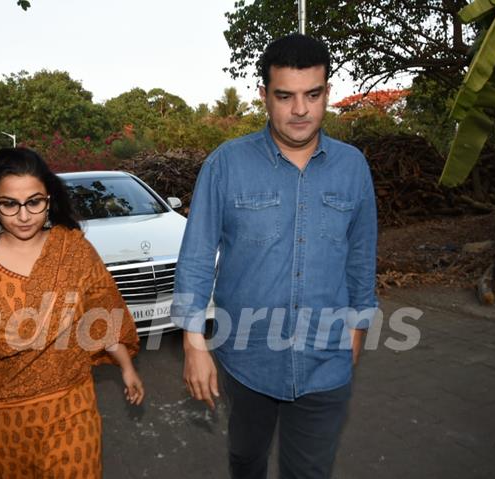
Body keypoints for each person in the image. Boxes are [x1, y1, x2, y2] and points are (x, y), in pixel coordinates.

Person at [171, 34, 377, 479]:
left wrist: (360, 325)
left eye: (313, 94)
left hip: (327, 360)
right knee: (247, 458)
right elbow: (196, 257)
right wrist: (193, 343)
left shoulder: (353, 167)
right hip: (247, 358)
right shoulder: (225, 165)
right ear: (264, 95)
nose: (300, 109)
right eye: (285, 96)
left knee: (309, 471)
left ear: (328, 92)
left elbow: (361, 256)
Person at [0, 147, 144, 478]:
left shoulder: (73, 250)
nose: (23, 215)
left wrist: (126, 367)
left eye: (34, 202)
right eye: (9, 204)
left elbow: (101, 314)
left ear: (49, 199)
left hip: (69, 408)